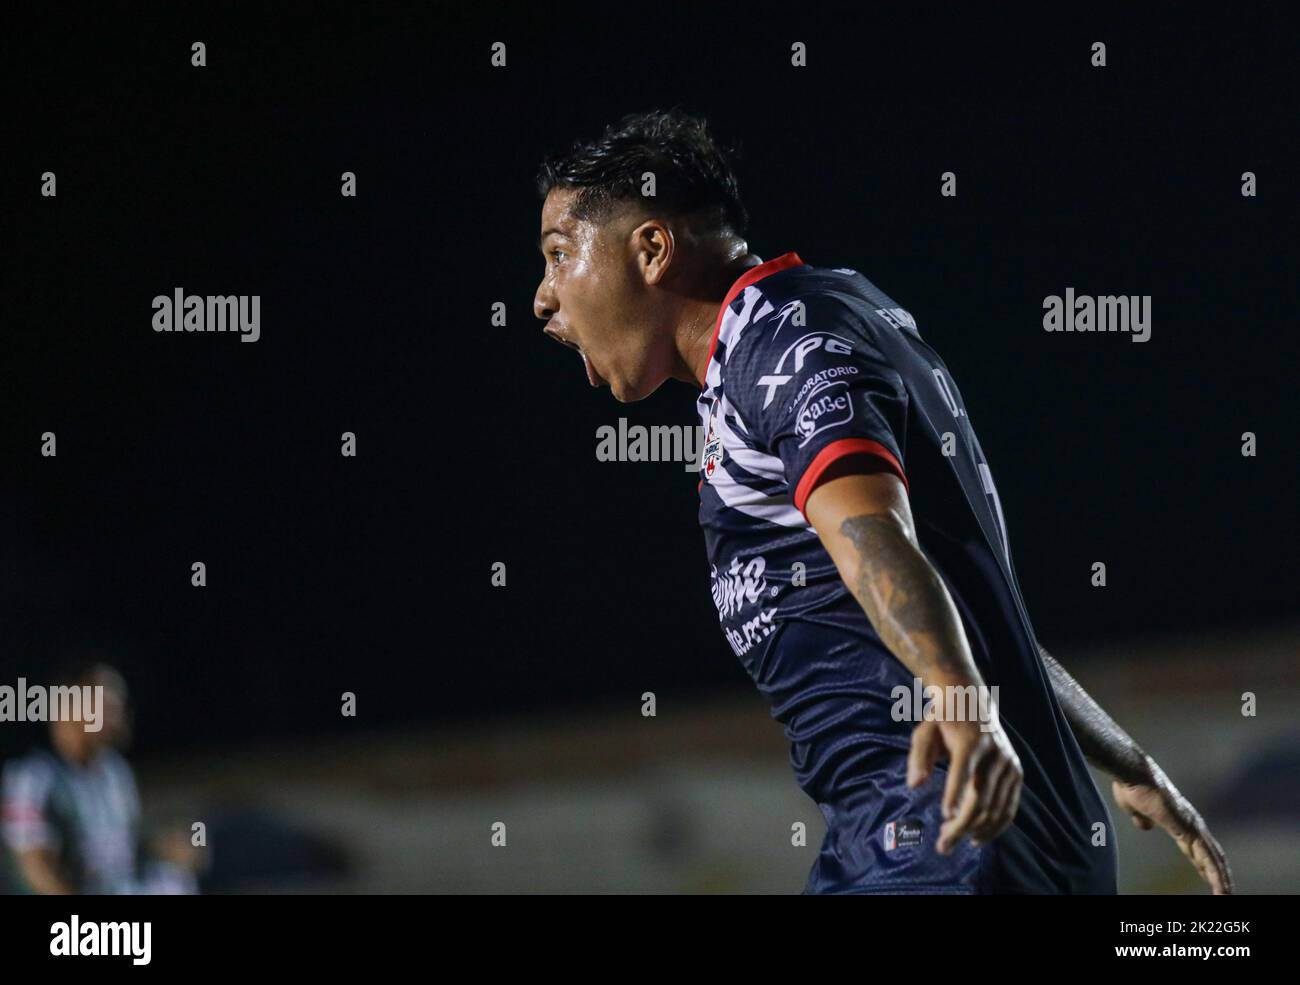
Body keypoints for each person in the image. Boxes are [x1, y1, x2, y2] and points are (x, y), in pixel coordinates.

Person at [531, 109, 1232, 894]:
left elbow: (876, 535)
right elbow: (963, 605)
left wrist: (957, 698)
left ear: (652, 249)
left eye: (560, 256)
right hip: (1002, 829)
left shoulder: (777, 346)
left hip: (937, 833)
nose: (542, 298)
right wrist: (1127, 760)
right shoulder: (824, 317)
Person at [1, 660, 197, 894]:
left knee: (173, 881)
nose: (118, 713)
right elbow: (37, 871)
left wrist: (165, 849)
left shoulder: (116, 773)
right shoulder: (32, 778)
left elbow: (121, 852)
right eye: (106, 703)